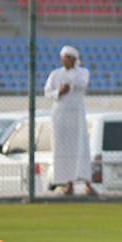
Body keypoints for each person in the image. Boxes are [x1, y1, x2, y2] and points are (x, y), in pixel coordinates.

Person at [42, 45, 92, 195]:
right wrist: (59, 92)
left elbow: (81, 84)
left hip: (76, 116)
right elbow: (47, 92)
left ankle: (87, 184)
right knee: (62, 149)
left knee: (81, 148)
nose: (64, 61)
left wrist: (72, 76)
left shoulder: (82, 72)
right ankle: (68, 184)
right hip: (61, 116)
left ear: (73, 59)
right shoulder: (55, 74)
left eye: (67, 58)